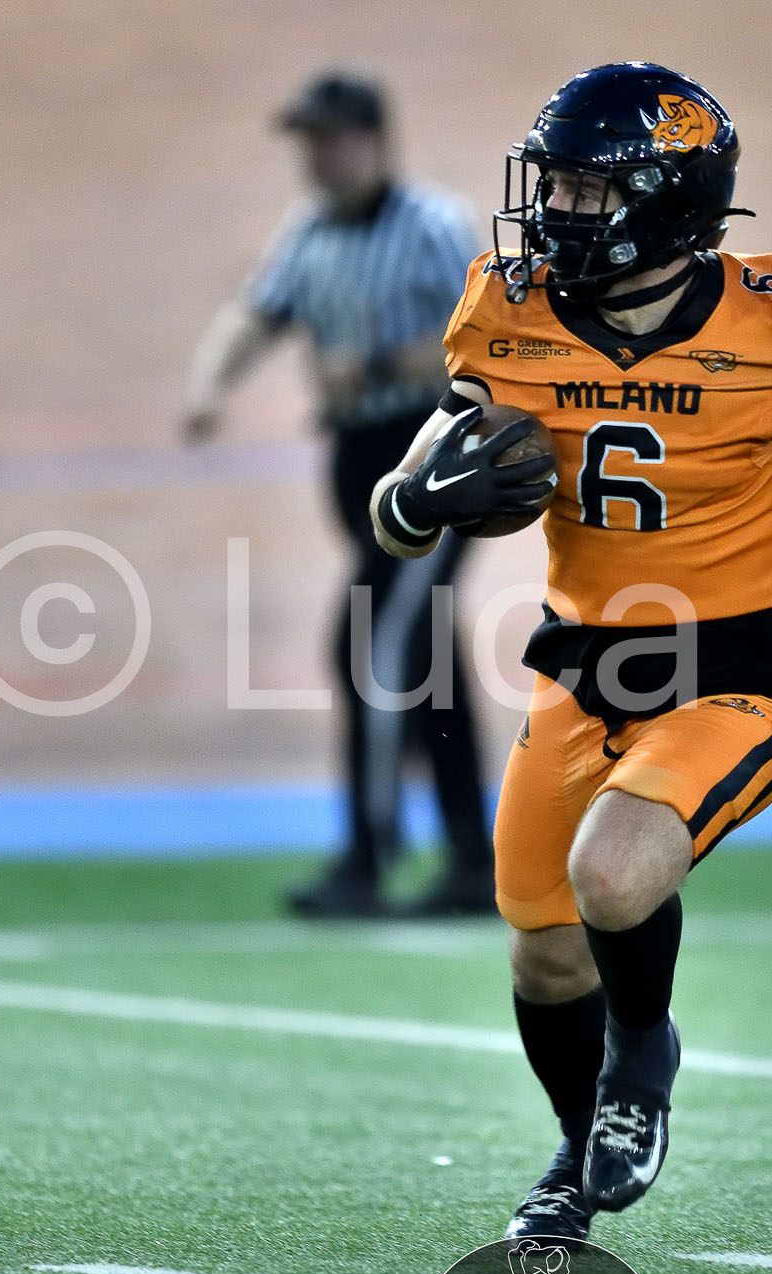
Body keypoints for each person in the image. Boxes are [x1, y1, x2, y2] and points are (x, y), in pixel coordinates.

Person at [367, 63, 772, 1244]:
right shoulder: (506, 310)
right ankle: (576, 1153)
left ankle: (641, 1055)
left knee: (613, 874)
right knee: (543, 955)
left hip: (733, 670)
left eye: (581, 188)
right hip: (581, 669)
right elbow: (398, 502)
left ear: (663, 200)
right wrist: (415, 502)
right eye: (549, 183)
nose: (550, 210)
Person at [181, 71, 497, 918]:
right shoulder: (309, 231)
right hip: (359, 459)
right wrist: (210, 384)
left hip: (430, 462)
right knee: (423, 661)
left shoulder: (432, 224)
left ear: (371, 139)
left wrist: (382, 364)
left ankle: (368, 855)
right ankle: (474, 860)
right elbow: (259, 311)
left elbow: (489, 338)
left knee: (366, 645)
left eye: (328, 139)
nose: (315, 157)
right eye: (308, 141)